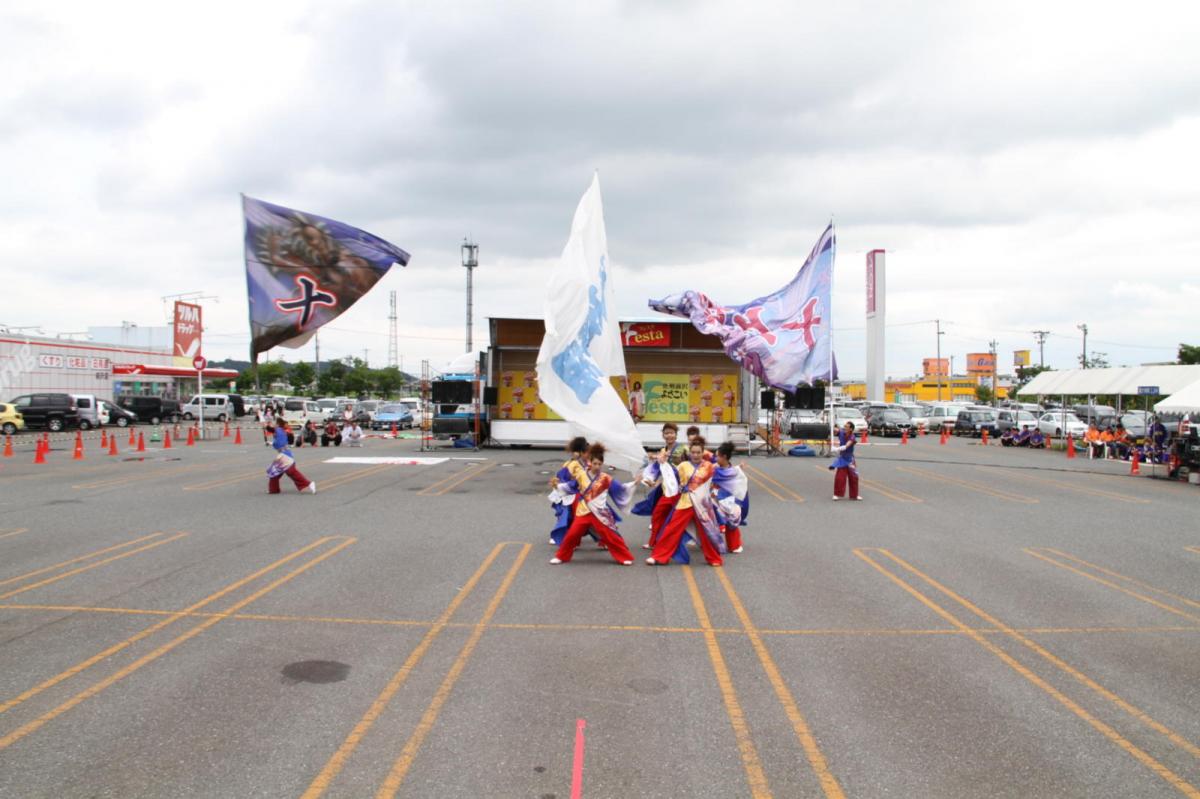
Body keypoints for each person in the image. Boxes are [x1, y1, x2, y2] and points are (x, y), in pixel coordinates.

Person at [646, 437, 742, 567]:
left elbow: (724, 474)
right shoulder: (683, 466)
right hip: (685, 502)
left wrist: (737, 470)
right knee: (671, 529)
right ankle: (659, 556)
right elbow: (672, 477)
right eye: (693, 452)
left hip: (702, 504)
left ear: (703, 453)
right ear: (689, 453)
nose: (695, 455)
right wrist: (663, 464)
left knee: (707, 531)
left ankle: (714, 558)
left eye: (698, 452)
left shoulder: (708, 466)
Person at [550, 443, 636, 565]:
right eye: (595, 463)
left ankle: (624, 557)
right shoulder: (581, 475)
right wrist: (558, 486)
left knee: (610, 535)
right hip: (583, 511)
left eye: (599, 464)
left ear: (602, 464)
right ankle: (561, 556)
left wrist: (634, 483)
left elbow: (620, 489)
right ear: (590, 462)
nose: (597, 466)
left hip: (600, 512)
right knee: (572, 534)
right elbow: (571, 486)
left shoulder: (605, 478)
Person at [632, 422, 689, 550]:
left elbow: (692, 464)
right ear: (663, 435)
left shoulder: (684, 449)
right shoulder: (663, 451)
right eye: (667, 433)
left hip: (679, 490)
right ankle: (656, 542)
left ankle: (670, 543)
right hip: (666, 489)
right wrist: (653, 481)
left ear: (676, 434)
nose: (669, 435)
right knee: (660, 516)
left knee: (671, 517)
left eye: (672, 433)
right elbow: (660, 470)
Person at [547, 436, 591, 546]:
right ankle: (561, 537)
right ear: (581, 452)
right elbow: (562, 478)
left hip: (580, 493)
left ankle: (603, 539)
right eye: (587, 453)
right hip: (568, 494)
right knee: (566, 516)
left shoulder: (585, 464)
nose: (589, 455)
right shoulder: (572, 464)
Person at [714, 441, 749, 554]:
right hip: (714, 499)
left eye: (717, 456)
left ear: (724, 457)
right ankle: (709, 543)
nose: (715, 458)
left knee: (732, 520)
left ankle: (734, 545)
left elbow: (739, 482)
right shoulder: (721, 469)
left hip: (728, 501)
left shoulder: (731, 471)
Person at [266, 420, 315, 495]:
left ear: (278, 424)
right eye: (286, 424)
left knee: (290, 471)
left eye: (276, 423)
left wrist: (267, 425)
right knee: (275, 472)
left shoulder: (278, 430)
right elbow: (278, 442)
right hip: (284, 454)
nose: (287, 425)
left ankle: (309, 483)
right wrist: (271, 442)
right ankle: (273, 489)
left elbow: (271, 429)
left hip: (285, 455)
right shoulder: (281, 431)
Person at [830, 421, 861, 501]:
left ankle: (854, 495)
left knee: (854, 477)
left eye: (846, 426)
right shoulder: (842, 433)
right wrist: (832, 426)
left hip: (850, 459)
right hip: (842, 458)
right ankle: (836, 494)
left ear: (851, 429)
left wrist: (836, 449)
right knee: (840, 477)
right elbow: (836, 430)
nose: (845, 427)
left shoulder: (852, 437)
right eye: (844, 426)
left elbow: (847, 446)